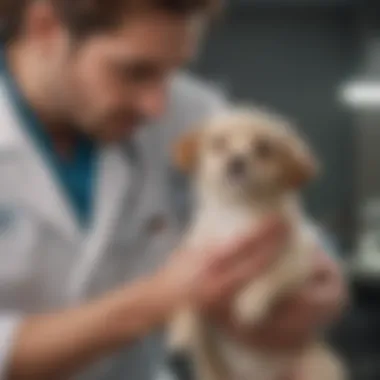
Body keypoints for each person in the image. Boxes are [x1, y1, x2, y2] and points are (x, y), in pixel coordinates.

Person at [0, 1, 346, 380]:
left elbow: (283, 219)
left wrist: (321, 284)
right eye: (134, 71)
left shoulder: (191, 109)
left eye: (174, 71)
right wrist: (159, 300)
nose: (157, 105)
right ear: (45, 27)